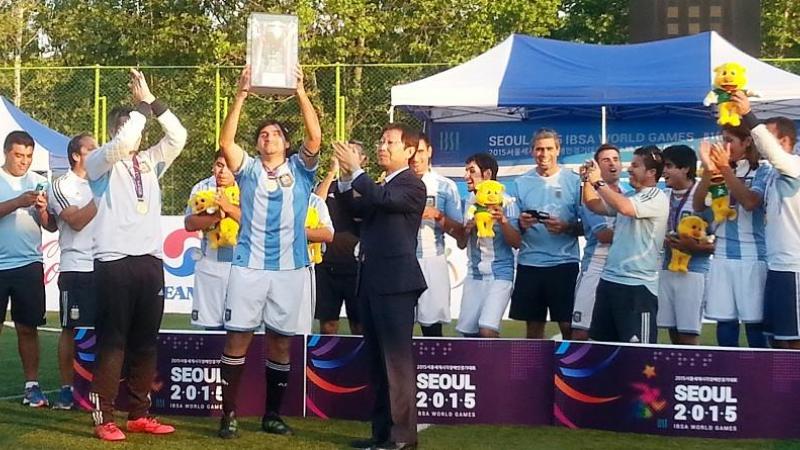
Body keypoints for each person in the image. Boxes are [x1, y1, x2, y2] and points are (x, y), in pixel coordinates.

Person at [216, 64, 321, 438]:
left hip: (290, 269)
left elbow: (315, 137)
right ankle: (228, 414)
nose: (269, 138)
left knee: (280, 340)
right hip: (249, 267)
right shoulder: (247, 170)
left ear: (285, 143)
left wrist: (300, 93)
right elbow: (227, 143)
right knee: (238, 337)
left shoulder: (301, 169)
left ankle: (271, 415)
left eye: (276, 133)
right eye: (263, 134)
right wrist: (242, 93)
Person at [85, 69, 187, 441]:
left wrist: (153, 102)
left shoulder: (151, 160)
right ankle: (104, 417)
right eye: (127, 125)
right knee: (113, 341)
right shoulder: (101, 160)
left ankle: (139, 414)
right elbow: (124, 141)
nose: (136, 131)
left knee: (146, 340)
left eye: (138, 125)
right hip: (113, 260)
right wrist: (139, 109)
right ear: (115, 130)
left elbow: (179, 135)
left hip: (150, 261)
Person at [334, 124, 426, 450]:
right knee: (376, 362)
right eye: (382, 140)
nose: (383, 146)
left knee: (396, 363)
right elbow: (356, 209)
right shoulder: (381, 185)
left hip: (396, 285)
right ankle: (381, 434)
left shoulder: (412, 185)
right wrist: (346, 177)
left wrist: (357, 171)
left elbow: (383, 199)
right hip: (371, 282)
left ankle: (403, 438)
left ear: (410, 150)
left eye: (390, 142)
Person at [733, 92, 800, 349]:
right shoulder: (770, 173)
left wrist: (748, 115)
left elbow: (774, 154)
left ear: (785, 141)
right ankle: (780, 390)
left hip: (793, 267)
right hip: (777, 266)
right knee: (776, 339)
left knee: (793, 341)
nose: (761, 143)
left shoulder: (793, 165)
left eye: (768, 137)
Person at [693, 125, 770, 348]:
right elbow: (698, 205)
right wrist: (709, 171)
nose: (724, 147)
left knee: (755, 324)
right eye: (722, 140)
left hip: (752, 257)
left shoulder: (762, 171)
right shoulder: (720, 170)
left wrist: (725, 169)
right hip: (721, 257)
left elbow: (750, 202)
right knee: (725, 322)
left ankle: (759, 376)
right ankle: (729, 375)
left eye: (730, 141)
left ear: (747, 142)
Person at [583, 145, 668, 344]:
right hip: (610, 282)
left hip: (637, 288)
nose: (629, 169)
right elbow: (593, 204)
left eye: (635, 165)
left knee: (638, 356)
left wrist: (598, 181)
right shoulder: (631, 196)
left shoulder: (656, 197)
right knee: (600, 348)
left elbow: (625, 208)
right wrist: (587, 179)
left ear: (652, 172)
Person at [0, 130, 56, 408]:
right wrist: (17, 202)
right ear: (6, 152)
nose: (24, 161)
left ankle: (32, 386)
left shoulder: (40, 182)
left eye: (28, 156)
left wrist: (43, 210)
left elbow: (51, 226)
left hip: (28, 264)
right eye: (19, 155)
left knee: (27, 328)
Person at [512, 128, 581, 339]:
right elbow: (514, 230)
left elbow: (587, 225)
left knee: (568, 326)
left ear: (558, 150)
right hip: (530, 263)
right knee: (533, 329)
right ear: (533, 152)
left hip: (564, 263)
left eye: (549, 148)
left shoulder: (573, 180)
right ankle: (534, 371)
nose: (544, 154)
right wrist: (523, 224)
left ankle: (569, 371)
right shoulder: (520, 183)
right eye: (539, 149)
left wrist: (566, 227)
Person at [48, 133, 99, 409]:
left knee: (107, 329)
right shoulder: (61, 185)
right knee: (70, 328)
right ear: (76, 156)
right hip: (76, 268)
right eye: (91, 148)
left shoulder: (104, 180)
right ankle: (67, 390)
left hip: (106, 264)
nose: (97, 150)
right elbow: (76, 221)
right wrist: (102, 196)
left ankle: (100, 390)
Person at [455, 153, 520, 338]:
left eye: (471, 171)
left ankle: (496, 367)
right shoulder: (468, 203)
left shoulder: (507, 201)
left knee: (487, 329)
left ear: (487, 174)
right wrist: (466, 229)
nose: (466, 176)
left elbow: (517, 243)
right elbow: (460, 244)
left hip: (500, 273)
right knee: (466, 334)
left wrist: (503, 221)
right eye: (466, 170)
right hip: (474, 274)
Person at [657, 145, 714, 345]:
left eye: (669, 166)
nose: (663, 171)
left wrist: (694, 247)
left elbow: (719, 241)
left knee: (688, 334)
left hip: (693, 272)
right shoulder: (662, 196)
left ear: (685, 169)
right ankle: (676, 374)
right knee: (671, 330)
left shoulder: (703, 196)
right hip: (667, 268)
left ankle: (690, 375)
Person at [409, 132, 463, 337]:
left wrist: (438, 216)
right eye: (412, 152)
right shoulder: (395, 184)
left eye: (421, 151)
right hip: (403, 261)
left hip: (433, 260)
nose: (416, 158)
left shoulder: (445, 186)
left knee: (431, 328)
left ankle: (432, 368)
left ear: (430, 151)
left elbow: (459, 232)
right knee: (400, 325)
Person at [314, 141, 366, 335]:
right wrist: (331, 172)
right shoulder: (330, 186)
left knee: (359, 325)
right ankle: (326, 365)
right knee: (328, 325)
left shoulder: (367, 188)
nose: (346, 156)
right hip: (327, 266)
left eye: (351, 152)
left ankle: (361, 364)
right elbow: (316, 203)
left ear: (362, 159)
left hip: (357, 268)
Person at [571, 144, 623, 341]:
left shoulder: (628, 193)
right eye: (606, 160)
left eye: (616, 159)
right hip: (595, 266)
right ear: (597, 167)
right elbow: (603, 235)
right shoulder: (590, 195)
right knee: (581, 331)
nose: (612, 164)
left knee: (616, 332)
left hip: (621, 268)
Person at [184, 152, 241, 329]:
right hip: (210, 266)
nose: (222, 171)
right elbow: (189, 223)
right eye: (219, 165)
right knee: (212, 330)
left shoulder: (249, 185)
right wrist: (216, 216)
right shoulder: (202, 188)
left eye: (228, 166)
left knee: (240, 329)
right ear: (213, 166)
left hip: (242, 267)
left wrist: (228, 208)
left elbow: (256, 223)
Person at [297, 192, 334, 334]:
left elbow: (328, 234)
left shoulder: (314, 201)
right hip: (268, 267)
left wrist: (295, 231)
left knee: (300, 328)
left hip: (302, 267)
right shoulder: (266, 194)